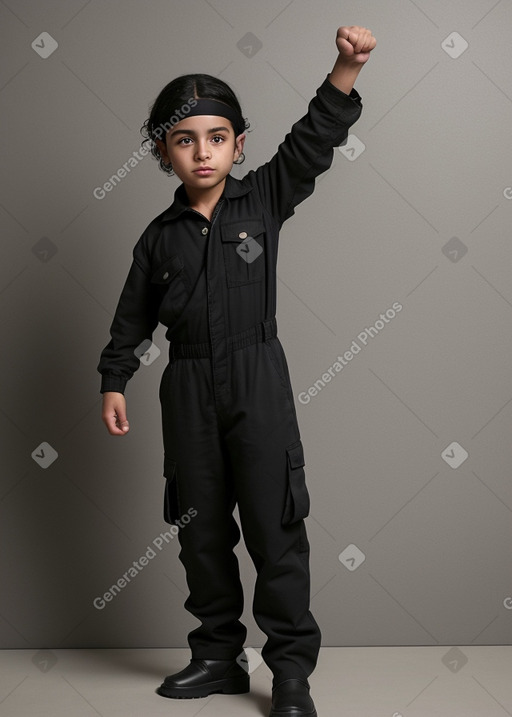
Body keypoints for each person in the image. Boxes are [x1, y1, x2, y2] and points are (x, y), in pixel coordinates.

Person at [98, 24, 376, 717]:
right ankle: (217, 656)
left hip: (259, 381)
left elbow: (313, 140)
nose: (202, 151)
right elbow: (131, 317)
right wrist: (114, 378)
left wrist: (345, 67)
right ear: (163, 150)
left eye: (217, 136)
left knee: (275, 529)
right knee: (200, 530)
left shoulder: (264, 201)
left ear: (238, 144)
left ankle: (289, 674)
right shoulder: (157, 239)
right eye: (185, 139)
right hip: (186, 389)